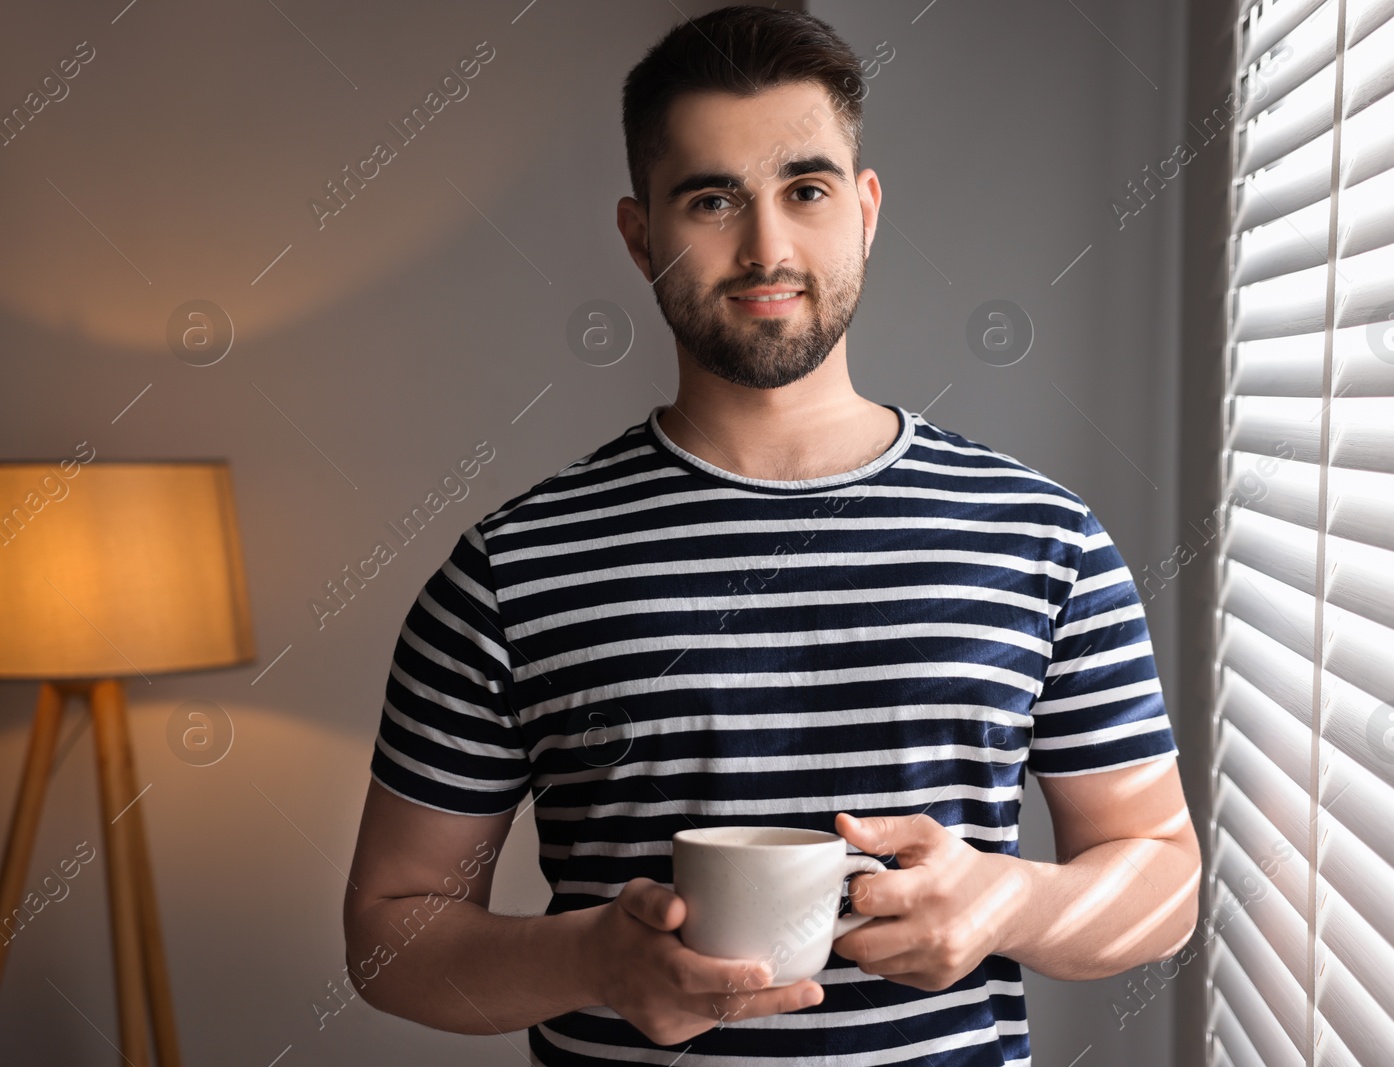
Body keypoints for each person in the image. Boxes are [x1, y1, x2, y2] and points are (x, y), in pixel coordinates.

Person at [343, 6, 1200, 1064]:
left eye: (806, 188)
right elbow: (390, 932)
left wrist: (1008, 901)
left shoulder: (1040, 537)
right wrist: (591, 962)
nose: (766, 247)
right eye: (711, 199)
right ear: (638, 231)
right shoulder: (508, 571)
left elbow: (1160, 875)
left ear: (865, 208)